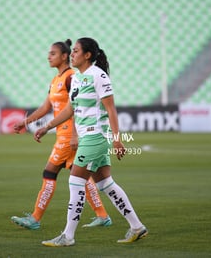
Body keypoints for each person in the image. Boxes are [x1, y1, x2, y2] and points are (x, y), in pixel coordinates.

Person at [34, 37, 148, 246]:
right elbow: (70, 109)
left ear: (87, 55)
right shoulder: (77, 78)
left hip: (96, 137)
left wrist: (117, 139)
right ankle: (137, 226)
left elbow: (111, 109)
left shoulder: (99, 76)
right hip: (89, 137)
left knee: (75, 181)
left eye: (76, 51)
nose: (73, 54)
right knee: (106, 183)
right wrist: (47, 127)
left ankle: (67, 236)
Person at [11, 39, 112, 230]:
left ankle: (35, 218)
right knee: (82, 177)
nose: (49, 57)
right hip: (62, 135)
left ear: (64, 56)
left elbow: (76, 106)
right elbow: (45, 107)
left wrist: (74, 134)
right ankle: (102, 215)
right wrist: (26, 122)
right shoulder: (56, 79)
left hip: (69, 136)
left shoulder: (71, 77)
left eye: (53, 54)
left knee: (49, 172)